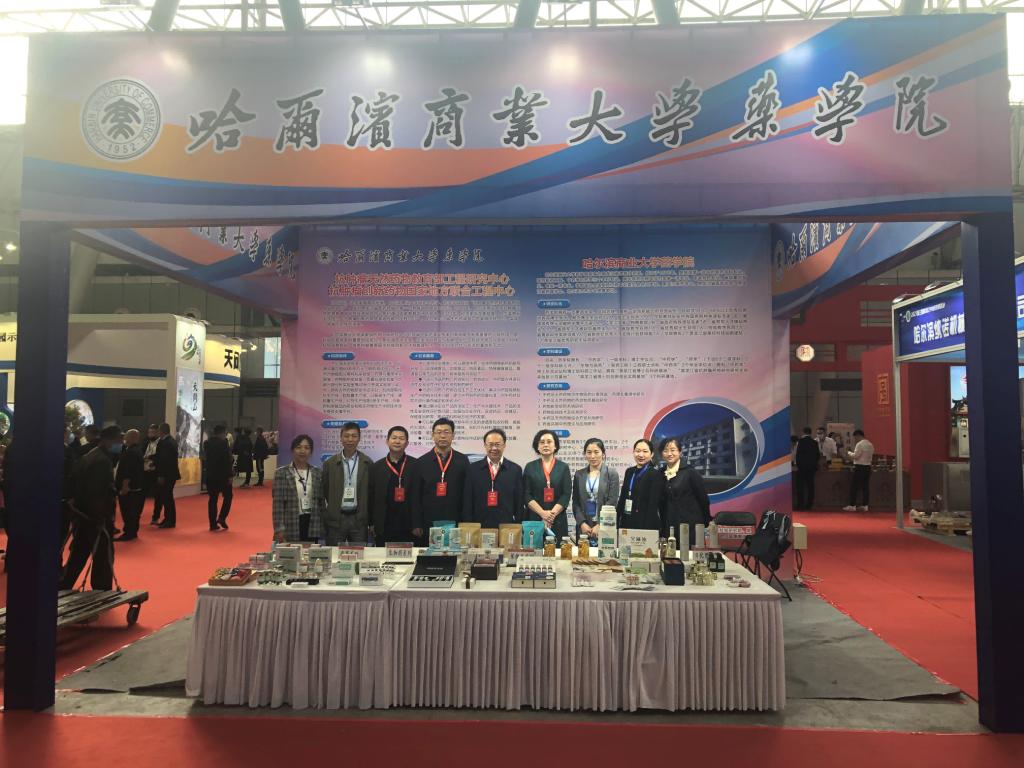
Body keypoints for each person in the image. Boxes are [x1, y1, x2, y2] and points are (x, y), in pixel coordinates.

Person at [61, 425, 122, 590]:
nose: (121, 443)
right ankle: (102, 591)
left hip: (82, 515)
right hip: (95, 519)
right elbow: (97, 492)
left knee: (78, 554)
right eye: (119, 440)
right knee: (103, 558)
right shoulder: (102, 461)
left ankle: (63, 584)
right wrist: (100, 518)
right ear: (109, 440)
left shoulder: (89, 456)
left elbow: (73, 481)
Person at [411, 417, 470, 545]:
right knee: (431, 555)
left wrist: (466, 522)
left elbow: (467, 494)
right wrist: (416, 523)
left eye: (446, 432)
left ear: (453, 435)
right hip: (428, 521)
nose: (442, 436)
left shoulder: (463, 461)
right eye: (438, 432)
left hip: (455, 520)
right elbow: (415, 496)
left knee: (453, 554)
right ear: (432, 435)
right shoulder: (421, 462)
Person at [321, 422, 373, 545]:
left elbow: (371, 492)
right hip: (336, 519)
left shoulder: (367, 463)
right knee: (333, 553)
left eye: (354, 436)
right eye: (346, 436)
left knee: (359, 554)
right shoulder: (330, 463)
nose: (350, 439)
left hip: (359, 520)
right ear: (341, 438)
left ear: (359, 438)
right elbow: (325, 491)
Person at [462, 428, 522, 529]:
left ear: (504, 445)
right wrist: (469, 526)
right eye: (490, 444)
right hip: (479, 527)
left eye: (498, 444)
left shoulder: (515, 470)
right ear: (485, 445)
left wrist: (518, 527)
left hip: (506, 527)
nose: (494, 448)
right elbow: (467, 500)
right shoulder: (473, 469)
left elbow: (519, 502)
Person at [371, 426, 420, 545]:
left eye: (401, 438)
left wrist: (418, 523)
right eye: (394, 438)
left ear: (407, 443)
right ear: (387, 441)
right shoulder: (377, 467)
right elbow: (371, 497)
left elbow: (419, 497)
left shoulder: (416, 465)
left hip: (409, 526)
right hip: (384, 525)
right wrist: (371, 523)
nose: (397, 441)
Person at [659, 436, 711, 547]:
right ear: (662, 454)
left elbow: (703, 499)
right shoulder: (660, 473)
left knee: (689, 556)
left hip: (690, 525)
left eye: (673, 450)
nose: (669, 454)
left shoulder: (691, 472)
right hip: (669, 524)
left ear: (680, 452)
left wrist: (706, 521)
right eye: (665, 451)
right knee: (670, 555)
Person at [522, 429, 573, 542]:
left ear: (555, 446)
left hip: (557, 519)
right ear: (537, 447)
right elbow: (526, 494)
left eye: (549, 442)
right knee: (533, 549)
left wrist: (550, 516)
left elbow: (566, 494)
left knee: (558, 550)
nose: (545, 445)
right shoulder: (530, 467)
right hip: (535, 519)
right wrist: (542, 513)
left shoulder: (563, 467)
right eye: (542, 442)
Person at [272, 434, 324, 543]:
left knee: (310, 552)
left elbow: (321, 502)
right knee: (292, 552)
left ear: (311, 451)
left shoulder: (317, 473)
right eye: (299, 447)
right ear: (292, 450)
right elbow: (278, 504)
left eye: (306, 448)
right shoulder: (282, 473)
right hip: (291, 523)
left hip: (312, 523)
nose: (302, 451)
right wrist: (279, 528)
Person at [572, 438, 621, 543]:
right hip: (584, 528)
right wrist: (582, 523)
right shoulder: (579, 475)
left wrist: (600, 524)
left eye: (596, 452)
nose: (592, 456)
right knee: (583, 553)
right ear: (585, 454)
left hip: (605, 526)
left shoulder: (611, 474)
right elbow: (576, 502)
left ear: (603, 454)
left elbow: (612, 502)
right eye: (589, 452)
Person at [616, 439, 662, 531]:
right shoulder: (629, 471)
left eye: (645, 451)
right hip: (627, 520)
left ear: (652, 454)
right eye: (638, 451)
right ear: (633, 452)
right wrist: (616, 520)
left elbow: (652, 505)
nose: (641, 455)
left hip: (645, 523)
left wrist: (647, 530)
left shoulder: (655, 474)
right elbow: (623, 497)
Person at [114, 429, 145, 541]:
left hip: (130, 487)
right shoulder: (136, 450)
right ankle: (132, 531)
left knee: (128, 510)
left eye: (126, 436)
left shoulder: (131, 452)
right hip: (136, 486)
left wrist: (125, 486)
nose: (124, 439)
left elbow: (128, 471)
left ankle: (129, 532)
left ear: (132, 437)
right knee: (133, 511)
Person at [205, 424, 234, 531]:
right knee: (228, 496)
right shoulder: (224, 443)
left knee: (212, 499)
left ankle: (212, 524)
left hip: (211, 475)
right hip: (223, 475)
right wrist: (230, 475)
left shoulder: (207, 443)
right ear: (222, 433)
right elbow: (228, 460)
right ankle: (222, 517)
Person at [152, 422, 180, 529]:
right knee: (167, 497)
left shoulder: (167, 443)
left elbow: (165, 461)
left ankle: (170, 520)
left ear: (161, 431)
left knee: (167, 498)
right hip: (170, 474)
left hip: (167, 475)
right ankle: (168, 519)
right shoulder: (170, 441)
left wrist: (161, 475)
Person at [843, 429, 875, 511]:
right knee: (865, 487)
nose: (855, 439)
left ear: (858, 435)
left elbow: (855, 456)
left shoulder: (859, 444)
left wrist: (848, 452)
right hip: (868, 467)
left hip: (859, 467)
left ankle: (852, 505)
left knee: (854, 486)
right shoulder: (870, 444)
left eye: (855, 437)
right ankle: (865, 505)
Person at [794, 427, 820, 511]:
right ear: (810, 433)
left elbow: (797, 455)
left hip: (802, 468)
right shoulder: (815, 442)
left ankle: (800, 504)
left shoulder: (800, 442)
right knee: (810, 486)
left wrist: (798, 465)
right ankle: (809, 504)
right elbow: (818, 455)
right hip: (811, 468)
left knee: (800, 486)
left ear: (803, 432)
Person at [142, 423, 160, 523]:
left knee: (157, 496)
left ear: (158, 432)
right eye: (149, 432)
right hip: (144, 472)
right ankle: (137, 513)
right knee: (141, 494)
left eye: (153, 432)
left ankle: (156, 516)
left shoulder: (161, 444)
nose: (151, 434)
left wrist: (151, 458)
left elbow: (161, 457)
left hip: (155, 472)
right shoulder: (145, 442)